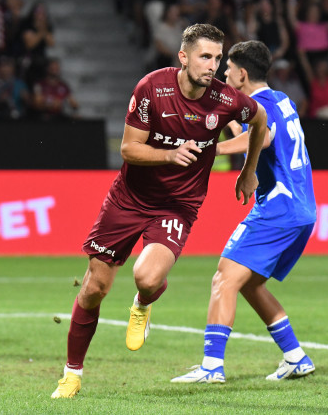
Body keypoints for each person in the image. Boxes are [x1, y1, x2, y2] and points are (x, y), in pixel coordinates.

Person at [50, 23, 268, 399]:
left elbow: (260, 121)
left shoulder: (226, 99)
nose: (212, 65)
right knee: (94, 289)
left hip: (177, 205)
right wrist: (170, 153)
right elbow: (129, 149)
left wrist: (248, 173)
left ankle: (142, 304)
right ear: (183, 57)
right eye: (204, 56)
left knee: (147, 278)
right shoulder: (152, 88)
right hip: (128, 199)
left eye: (217, 58)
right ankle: (71, 374)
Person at [170, 39, 317, 383]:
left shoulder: (262, 105)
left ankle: (211, 367)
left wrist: (210, 148)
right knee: (249, 284)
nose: (224, 72)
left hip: (277, 209)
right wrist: (233, 124)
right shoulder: (282, 100)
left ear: (242, 73)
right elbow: (257, 131)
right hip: (303, 209)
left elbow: (261, 137)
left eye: (229, 67)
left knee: (223, 277)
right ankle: (296, 356)